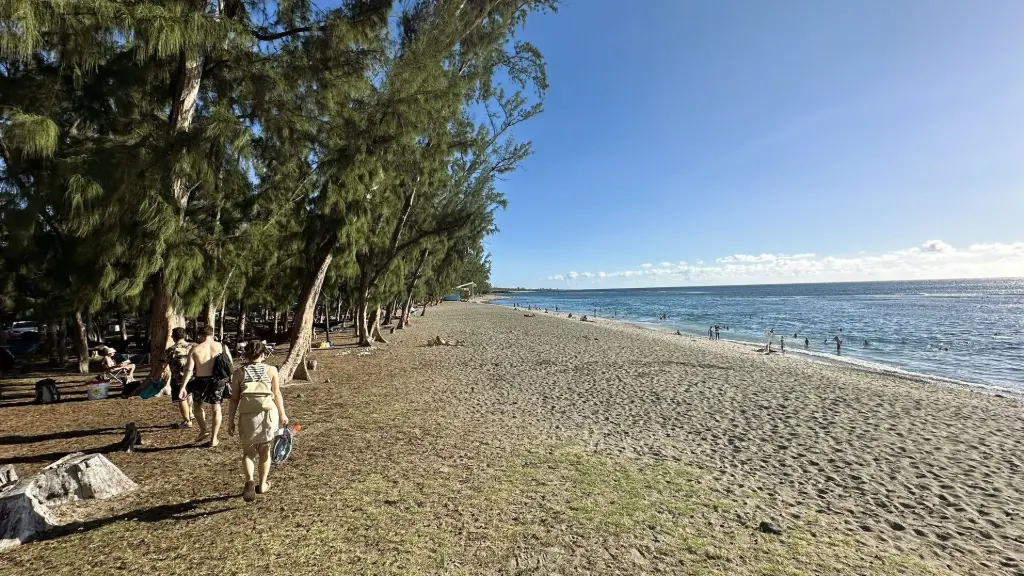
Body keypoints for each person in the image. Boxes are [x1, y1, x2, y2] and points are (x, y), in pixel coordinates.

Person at [227, 340, 288, 502]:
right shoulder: (271, 370)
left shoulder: (239, 373)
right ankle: (262, 485)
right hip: (268, 414)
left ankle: (249, 480)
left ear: (246, 354)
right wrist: (283, 414)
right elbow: (277, 394)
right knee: (264, 451)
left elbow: (234, 399)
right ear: (262, 354)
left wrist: (230, 421)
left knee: (248, 453)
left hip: (248, 415)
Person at [180, 324, 232, 447]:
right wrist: (230, 381)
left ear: (200, 335)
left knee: (197, 406)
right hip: (217, 381)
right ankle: (214, 439)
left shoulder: (195, 349)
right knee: (216, 409)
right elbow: (230, 365)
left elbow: (188, 370)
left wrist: (183, 386)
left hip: (200, 381)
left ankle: (203, 429)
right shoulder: (222, 347)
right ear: (212, 334)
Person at [162, 327, 194, 428]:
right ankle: (191, 413)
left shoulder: (171, 350)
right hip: (193, 377)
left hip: (178, 378)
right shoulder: (193, 346)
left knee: (181, 399)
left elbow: (162, 364)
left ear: (173, 337)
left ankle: (187, 421)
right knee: (189, 394)